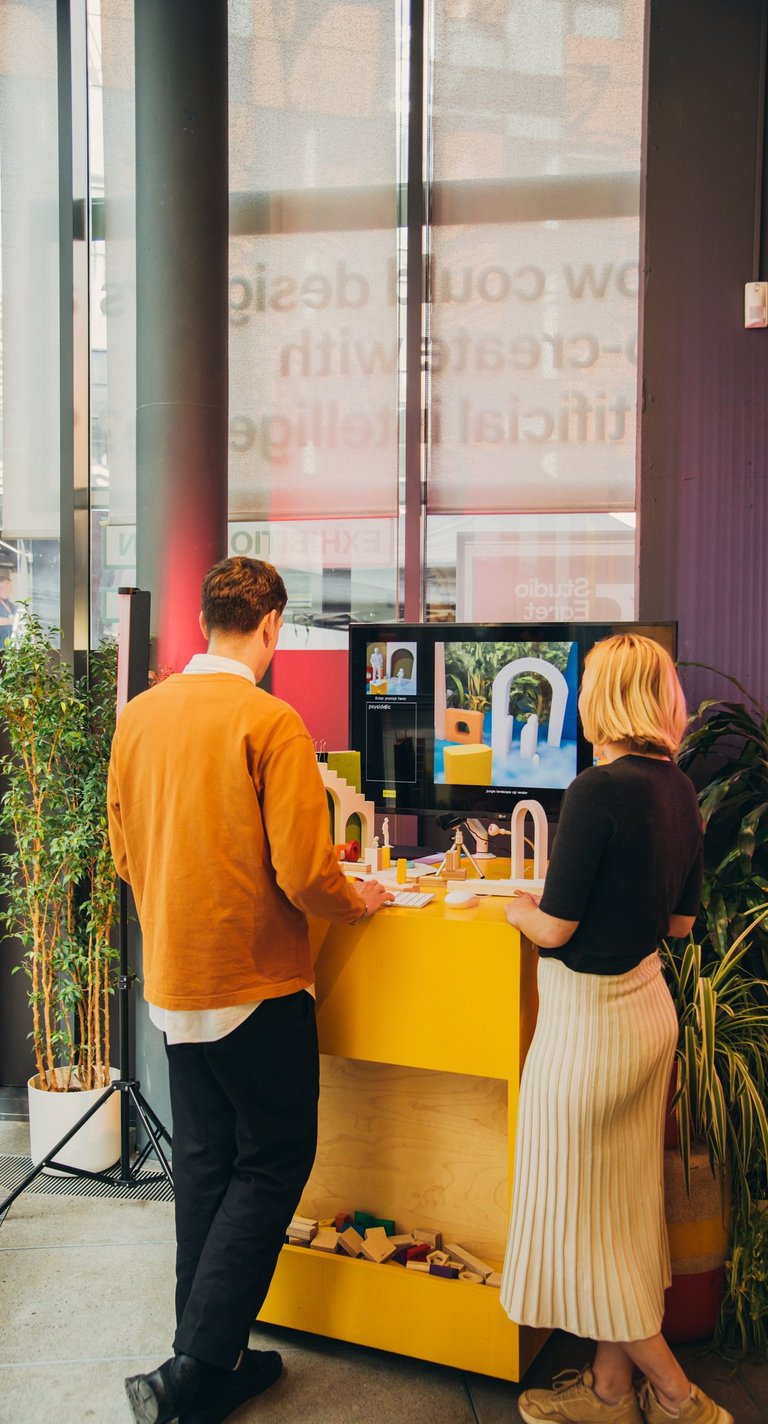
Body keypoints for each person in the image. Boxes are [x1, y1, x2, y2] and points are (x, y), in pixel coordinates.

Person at [107, 557, 392, 1424]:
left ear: (204, 622)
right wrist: (358, 900)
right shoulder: (269, 721)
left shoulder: (139, 716)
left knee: (205, 1165)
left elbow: (124, 854)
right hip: (256, 985)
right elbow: (306, 873)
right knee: (273, 1160)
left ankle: (207, 1357)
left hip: (175, 983)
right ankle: (194, 1370)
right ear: (272, 626)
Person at [502, 634, 733, 1424]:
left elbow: (557, 929)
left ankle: (677, 1396)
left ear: (601, 697)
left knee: (582, 1226)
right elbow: (678, 925)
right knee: (621, 1218)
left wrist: (518, 910)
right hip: (646, 1014)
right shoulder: (679, 789)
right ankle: (609, 1391)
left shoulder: (597, 789)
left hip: (588, 1033)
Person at [0, 571, 17, 647]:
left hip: (9, 644)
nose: (9, 589)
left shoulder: (11, 605)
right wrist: (11, 621)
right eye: (6, 586)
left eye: (10, 587)